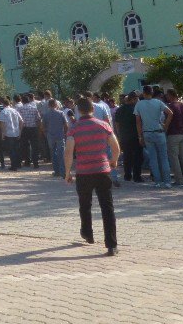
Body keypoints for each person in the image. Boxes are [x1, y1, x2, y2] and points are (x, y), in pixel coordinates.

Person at [65, 98, 121, 256]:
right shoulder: (103, 125)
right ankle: (111, 244)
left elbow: (69, 151)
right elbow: (115, 146)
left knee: (85, 204)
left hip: (83, 172)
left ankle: (87, 233)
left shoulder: (74, 128)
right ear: (92, 109)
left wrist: (67, 172)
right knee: (107, 207)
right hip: (103, 171)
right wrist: (114, 160)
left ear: (79, 111)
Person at [134, 86, 172, 187]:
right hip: (159, 131)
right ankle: (167, 181)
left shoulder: (139, 104)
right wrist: (166, 126)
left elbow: (138, 122)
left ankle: (158, 181)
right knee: (164, 158)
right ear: (152, 92)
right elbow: (170, 113)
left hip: (147, 133)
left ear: (144, 93)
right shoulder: (158, 102)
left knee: (153, 158)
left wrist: (140, 136)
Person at [113, 93, 143, 182]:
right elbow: (139, 123)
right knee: (138, 156)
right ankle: (137, 176)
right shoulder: (136, 109)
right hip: (135, 136)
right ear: (133, 99)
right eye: (136, 99)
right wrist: (140, 136)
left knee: (127, 156)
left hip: (124, 137)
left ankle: (127, 175)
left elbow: (117, 124)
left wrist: (119, 135)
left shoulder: (119, 110)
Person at [164, 89, 183, 186]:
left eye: (167, 95)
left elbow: (168, 120)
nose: (166, 97)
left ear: (171, 95)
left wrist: (164, 129)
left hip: (173, 133)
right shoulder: (182, 105)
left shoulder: (170, 106)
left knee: (174, 158)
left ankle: (179, 180)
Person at [43, 99, 68, 178]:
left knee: (53, 153)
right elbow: (66, 124)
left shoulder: (46, 114)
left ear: (49, 105)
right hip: (60, 135)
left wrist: (46, 134)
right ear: (56, 105)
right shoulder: (61, 113)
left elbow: (43, 126)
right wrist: (65, 133)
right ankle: (63, 172)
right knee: (61, 153)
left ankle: (56, 171)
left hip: (50, 136)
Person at [0, 99, 23, 171]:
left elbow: (2, 123)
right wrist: (20, 131)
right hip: (16, 132)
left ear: (3, 104)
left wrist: (3, 133)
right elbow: (21, 121)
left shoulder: (3, 111)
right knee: (16, 149)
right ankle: (18, 164)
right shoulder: (15, 110)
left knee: (11, 150)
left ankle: (13, 166)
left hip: (8, 133)